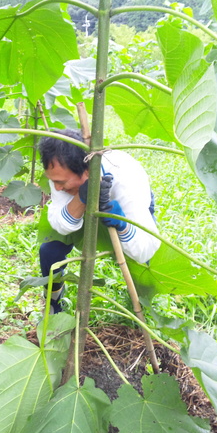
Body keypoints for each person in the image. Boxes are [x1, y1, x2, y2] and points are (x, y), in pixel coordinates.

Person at [38, 129, 160, 313]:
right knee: (49, 250)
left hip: (122, 209)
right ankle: (53, 305)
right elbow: (60, 225)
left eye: (61, 182)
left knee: (144, 263)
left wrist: (122, 224)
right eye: (53, 181)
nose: (56, 187)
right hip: (79, 206)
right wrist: (82, 197)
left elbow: (144, 249)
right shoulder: (60, 175)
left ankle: (142, 306)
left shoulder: (127, 179)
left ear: (87, 172)